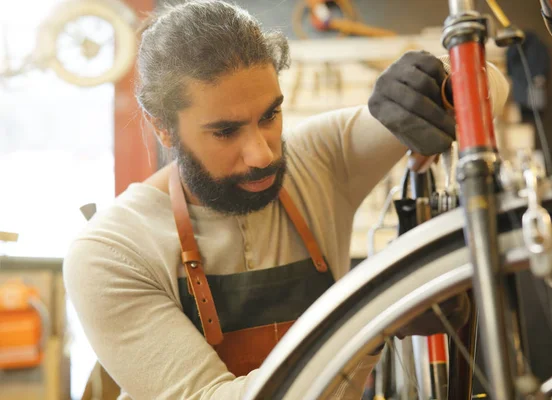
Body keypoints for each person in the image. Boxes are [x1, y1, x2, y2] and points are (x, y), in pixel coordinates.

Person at [63, 1, 509, 399]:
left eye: (270, 115)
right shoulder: (111, 253)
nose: (263, 154)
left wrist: (434, 84)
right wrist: (377, 319)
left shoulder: (319, 158)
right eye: (225, 131)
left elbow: (490, 88)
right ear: (164, 128)